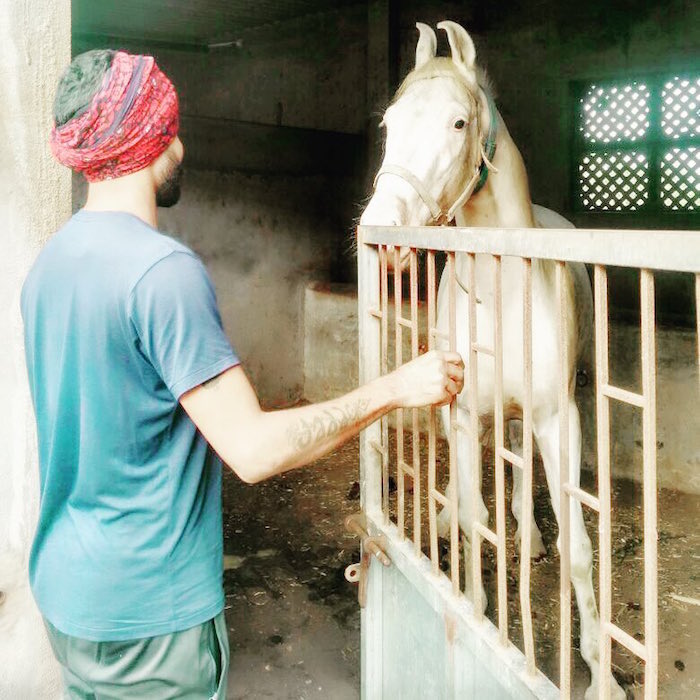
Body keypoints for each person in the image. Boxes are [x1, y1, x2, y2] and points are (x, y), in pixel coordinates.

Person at [20, 49, 464, 700]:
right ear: (152, 137)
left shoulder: (50, 264)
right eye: (171, 129)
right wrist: (396, 388)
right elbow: (254, 450)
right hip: (152, 615)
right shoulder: (161, 271)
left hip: (67, 590)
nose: (181, 145)